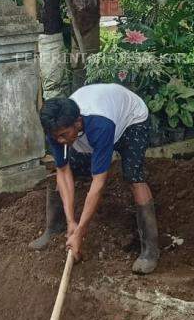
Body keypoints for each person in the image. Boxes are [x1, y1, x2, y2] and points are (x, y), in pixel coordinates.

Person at [34, 83, 158, 274]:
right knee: (68, 169)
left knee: (133, 175)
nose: (60, 141)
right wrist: (71, 222)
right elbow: (63, 171)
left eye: (63, 135)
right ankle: (55, 228)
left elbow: (98, 183)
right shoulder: (56, 128)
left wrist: (81, 231)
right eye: (56, 137)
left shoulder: (100, 125)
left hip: (130, 120)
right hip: (88, 131)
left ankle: (150, 249)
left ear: (77, 122)